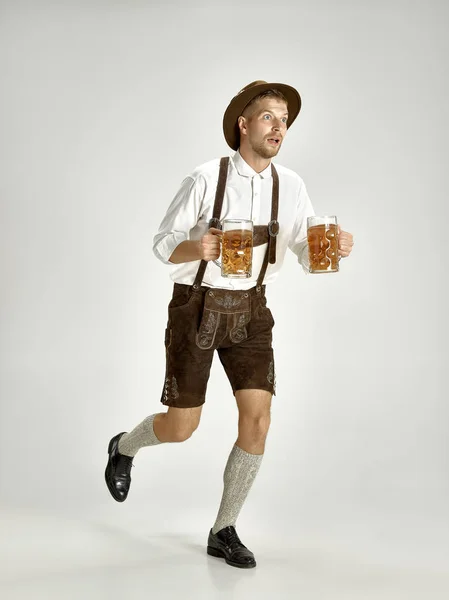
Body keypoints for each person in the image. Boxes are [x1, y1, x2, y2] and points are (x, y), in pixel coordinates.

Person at [104, 80, 354, 569]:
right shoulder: (204, 177)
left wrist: (331, 247)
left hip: (253, 311)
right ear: (244, 124)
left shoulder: (292, 185)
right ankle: (124, 446)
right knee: (182, 427)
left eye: (285, 120)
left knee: (258, 422)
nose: (279, 126)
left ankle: (223, 529)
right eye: (269, 117)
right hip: (196, 306)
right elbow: (162, 243)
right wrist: (197, 248)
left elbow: (303, 251)